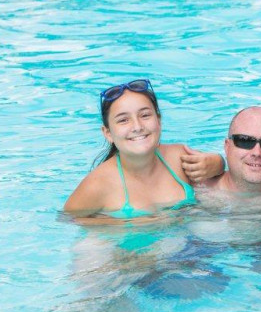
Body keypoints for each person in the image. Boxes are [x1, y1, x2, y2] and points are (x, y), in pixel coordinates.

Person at [63, 79, 224, 220]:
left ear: (158, 121)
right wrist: (124, 223)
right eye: (123, 120)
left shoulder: (179, 158)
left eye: (145, 115)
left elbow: (218, 175)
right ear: (108, 133)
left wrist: (218, 162)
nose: (138, 126)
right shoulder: (98, 184)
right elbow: (67, 220)